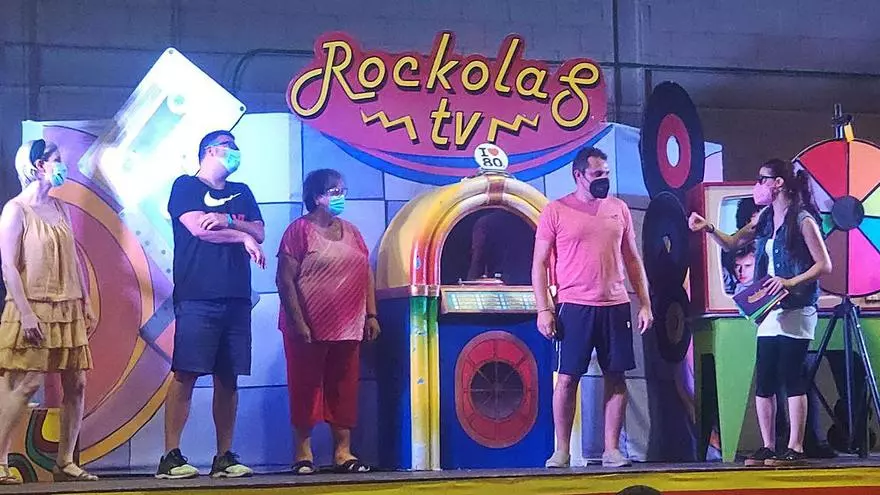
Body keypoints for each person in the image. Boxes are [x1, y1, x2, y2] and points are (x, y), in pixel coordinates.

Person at [689, 158, 832, 466]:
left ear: (778, 183)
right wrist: (708, 228)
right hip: (770, 309)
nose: (758, 186)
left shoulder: (803, 219)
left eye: (761, 179)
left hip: (797, 307)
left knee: (791, 376)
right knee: (765, 377)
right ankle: (768, 446)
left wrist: (790, 281)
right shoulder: (766, 218)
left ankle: (795, 447)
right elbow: (732, 243)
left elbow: (824, 264)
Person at [532, 147, 653, 468]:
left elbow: (632, 259)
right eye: (597, 174)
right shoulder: (556, 210)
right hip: (573, 306)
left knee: (617, 377)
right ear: (579, 175)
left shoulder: (619, 209)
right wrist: (544, 309)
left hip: (615, 305)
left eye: (606, 174)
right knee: (567, 379)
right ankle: (562, 450)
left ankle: (611, 450)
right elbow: (539, 263)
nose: (604, 180)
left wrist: (645, 303)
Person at [157, 130, 266, 479]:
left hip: (236, 296)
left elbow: (261, 231)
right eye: (228, 146)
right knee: (186, 372)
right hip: (198, 294)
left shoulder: (242, 191)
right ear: (209, 151)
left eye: (237, 146)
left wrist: (229, 221)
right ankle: (171, 455)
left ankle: (224, 456)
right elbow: (199, 229)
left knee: (228, 376)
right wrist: (242, 235)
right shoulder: (186, 186)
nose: (235, 152)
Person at [0, 139, 98, 483]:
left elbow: (73, 257)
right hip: (32, 304)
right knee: (25, 383)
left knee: (77, 383)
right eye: (57, 159)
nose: (62, 166)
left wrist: (85, 300)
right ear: (39, 165)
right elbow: (9, 267)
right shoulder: (16, 210)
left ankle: (65, 461)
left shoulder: (60, 207)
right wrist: (26, 313)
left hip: (67, 305)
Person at [276, 169, 380, 475]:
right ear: (317, 196)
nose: (341, 197)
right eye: (335, 192)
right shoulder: (298, 231)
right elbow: (284, 280)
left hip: (349, 326)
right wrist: (298, 323)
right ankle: (303, 454)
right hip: (306, 327)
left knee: (344, 388)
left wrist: (371, 314)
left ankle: (343, 453)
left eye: (343, 191)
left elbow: (365, 273)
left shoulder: (353, 232)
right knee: (305, 387)